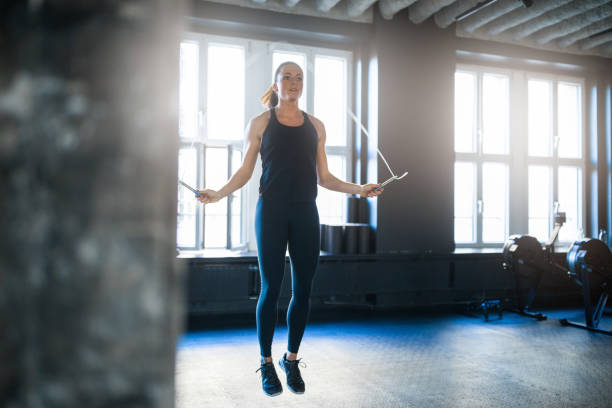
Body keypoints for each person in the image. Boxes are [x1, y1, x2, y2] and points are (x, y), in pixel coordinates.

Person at [196, 61, 383, 397]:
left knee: (304, 290)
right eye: (287, 77)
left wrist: (360, 189)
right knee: (271, 289)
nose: (294, 82)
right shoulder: (259, 123)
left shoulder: (316, 126)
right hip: (271, 212)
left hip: (305, 213)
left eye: (299, 78)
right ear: (276, 84)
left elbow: (324, 178)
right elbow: (244, 172)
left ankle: (291, 359)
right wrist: (218, 193)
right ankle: (266, 363)